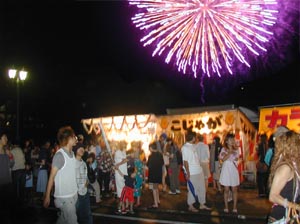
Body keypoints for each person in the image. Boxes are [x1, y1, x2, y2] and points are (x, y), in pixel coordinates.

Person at [43, 126, 78, 224]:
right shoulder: (60, 155)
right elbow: (51, 177)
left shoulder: (72, 153)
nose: (76, 139)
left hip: (72, 194)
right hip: (64, 197)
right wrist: (47, 195)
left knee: (63, 219)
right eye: (74, 136)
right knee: (72, 220)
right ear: (68, 139)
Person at [268, 130, 300, 223]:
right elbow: (273, 196)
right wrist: (294, 206)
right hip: (281, 216)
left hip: (290, 215)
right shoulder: (285, 168)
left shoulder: (294, 165)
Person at [182, 131, 211, 212]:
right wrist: (187, 173)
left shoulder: (193, 146)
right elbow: (185, 161)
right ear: (193, 137)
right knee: (192, 189)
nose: (196, 138)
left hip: (199, 170)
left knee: (202, 188)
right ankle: (190, 205)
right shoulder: (185, 147)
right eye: (195, 137)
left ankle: (202, 204)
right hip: (192, 171)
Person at [219, 133, 240, 214]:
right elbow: (223, 159)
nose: (232, 141)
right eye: (231, 140)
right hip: (226, 170)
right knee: (226, 189)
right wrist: (229, 153)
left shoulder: (236, 149)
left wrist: (232, 151)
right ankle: (226, 206)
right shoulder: (223, 149)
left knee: (234, 189)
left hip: (233, 169)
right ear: (227, 141)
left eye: (233, 139)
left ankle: (234, 207)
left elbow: (237, 158)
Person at [73, 142, 93, 224]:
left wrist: (87, 181)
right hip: (76, 195)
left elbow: (86, 176)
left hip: (85, 193)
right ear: (75, 150)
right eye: (79, 148)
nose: (82, 149)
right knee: (75, 217)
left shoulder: (84, 163)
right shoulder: (71, 163)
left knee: (87, 216)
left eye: (83, 148)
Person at [147, 142, 164, 209]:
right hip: (158, 173)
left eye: (149, 148)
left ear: (151, 148)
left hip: (152, 174)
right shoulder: (160, 154)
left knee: (154, 189)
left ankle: (155, 203)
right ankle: (158, 200)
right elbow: (162, 164)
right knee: (156, 188)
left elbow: (148, 166)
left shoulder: (151, 156)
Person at [114, 140, 128, 213]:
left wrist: (118, 164)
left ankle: (123, 208)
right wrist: (118, 164)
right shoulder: (118, 152)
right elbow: (124, 160)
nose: (125, 146)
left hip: (122, 173)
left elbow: (125, 160)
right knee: (122, 190)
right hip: (120, 173)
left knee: (122, 190)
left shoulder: (122, 151)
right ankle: (124, 207)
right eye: (124, 145)